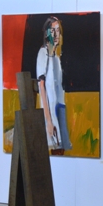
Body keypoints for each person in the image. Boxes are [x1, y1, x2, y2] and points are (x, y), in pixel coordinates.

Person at [36, 16, 71, 155]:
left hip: (60, 107)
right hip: (50, 110)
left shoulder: (56, 57)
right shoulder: (43, 53)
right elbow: (42, 86)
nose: (56, 34)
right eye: (52, 31)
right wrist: (48, 121)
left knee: (62, 148)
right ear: (46, 33)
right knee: (55, 148)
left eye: (58, 30)